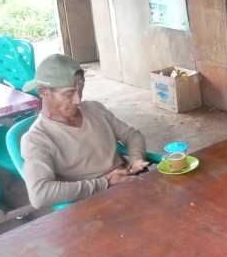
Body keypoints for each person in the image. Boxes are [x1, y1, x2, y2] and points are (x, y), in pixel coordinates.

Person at [21, 54, 150, 209]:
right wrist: (105, 183)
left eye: (80, 90)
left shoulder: (95, 109)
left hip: (129, 182)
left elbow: (132, 135)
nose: (77, 100)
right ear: (43, 92)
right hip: (96, 203)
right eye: (68, 94)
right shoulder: (37, 139)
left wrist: (136, 160)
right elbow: (40, 194)